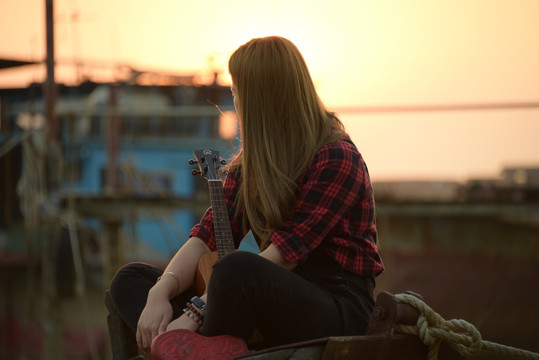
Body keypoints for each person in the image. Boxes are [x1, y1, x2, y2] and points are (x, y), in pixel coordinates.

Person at [105, 36, 384, 360]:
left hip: (334, 302)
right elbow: (205, 237)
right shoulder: (254, 164)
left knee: (235, 269)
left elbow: (284, 256)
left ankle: (191, 345)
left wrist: (192, 315)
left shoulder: (336, 158)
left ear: (260, 98)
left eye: (237, 91)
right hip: (263, 295)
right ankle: (193, 347)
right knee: (130, 279)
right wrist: (159, 293)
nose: (233, 100)